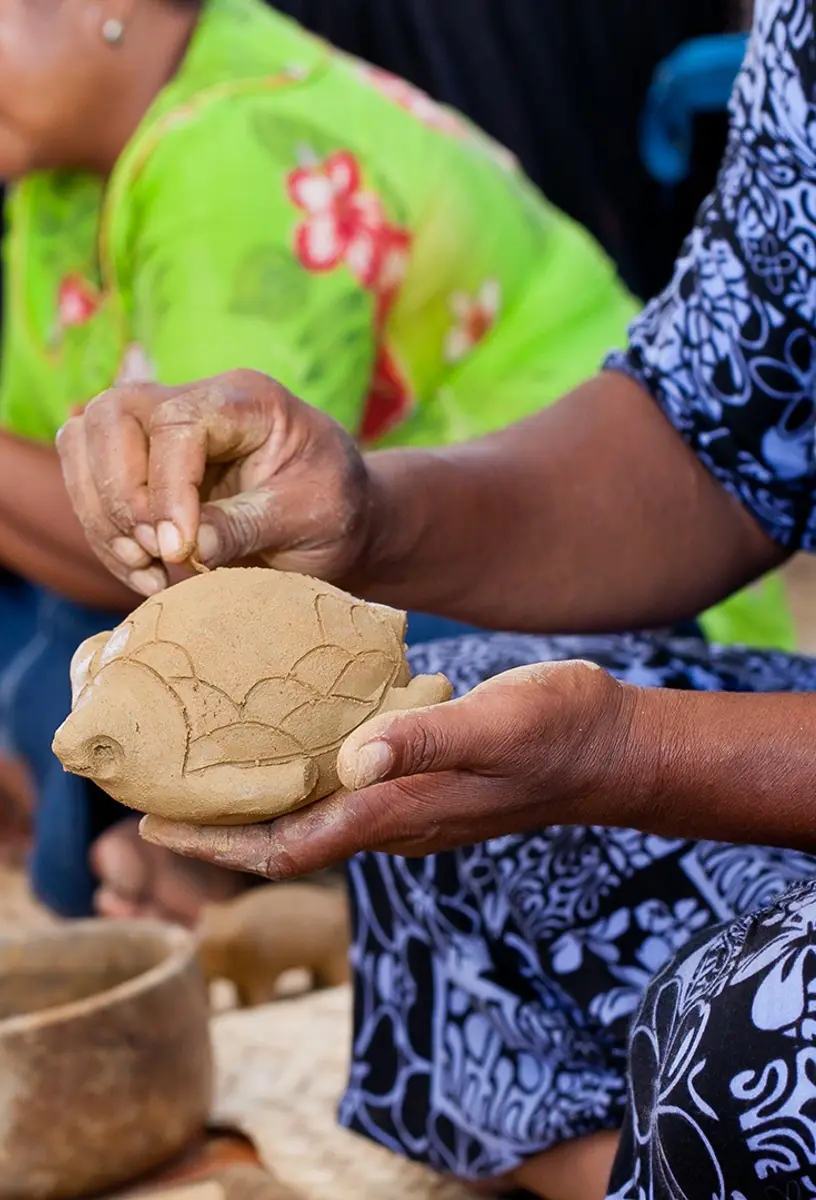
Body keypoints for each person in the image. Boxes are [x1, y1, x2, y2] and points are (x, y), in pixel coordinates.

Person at [0, 0, 767, 920]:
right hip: (325, 563)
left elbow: (185, 571)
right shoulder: (58, 191)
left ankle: (161, 856)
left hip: (584, 589)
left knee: (151, 667)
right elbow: (38, 520)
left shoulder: (238, 147)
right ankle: (145, 848)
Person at [55, 1, 816, 1195]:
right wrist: (371, 512)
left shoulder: (237, 148)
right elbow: (708, 433)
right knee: (437, 777)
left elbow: (616, 746)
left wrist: (626, 751)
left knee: (754, 1037)